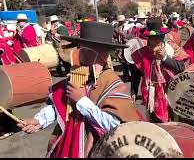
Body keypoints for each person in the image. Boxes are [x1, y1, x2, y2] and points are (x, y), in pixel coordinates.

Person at [17, 22, 143, 157]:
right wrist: (39, 120)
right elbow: (61, 107)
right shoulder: (77, 76)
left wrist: (81, 100)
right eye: (81, 50)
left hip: (98, 148)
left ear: (103, 55)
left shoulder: (114, 84)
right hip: (69, 143)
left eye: (89, 52)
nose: (82, 58)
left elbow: (114, 126)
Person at [131, 17, 190, 123]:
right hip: (151, 95)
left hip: (171, 92)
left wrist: (165, 58)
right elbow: (135, 74)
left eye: (158, 38)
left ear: (163, 37)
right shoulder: (141, 53)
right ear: (148, 38)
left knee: (172, 122)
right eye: (152, 38)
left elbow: (181, 68)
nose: (155, 41)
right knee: (154, 124)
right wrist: (133, 93)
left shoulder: (173, 49)